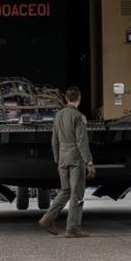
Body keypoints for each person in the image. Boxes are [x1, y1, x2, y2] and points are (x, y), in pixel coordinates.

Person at [38, 86, 95, 238]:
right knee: (77, 193)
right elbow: (82, 142)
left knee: (65, 191)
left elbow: (54, 140)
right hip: (76, 159)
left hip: (63, 158)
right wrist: (89, 161)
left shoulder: (58, 115)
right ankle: (73, 228)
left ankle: (47, 219)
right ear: (79, 98)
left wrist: (58, 159)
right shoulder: (78, 116)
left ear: (66, 98)